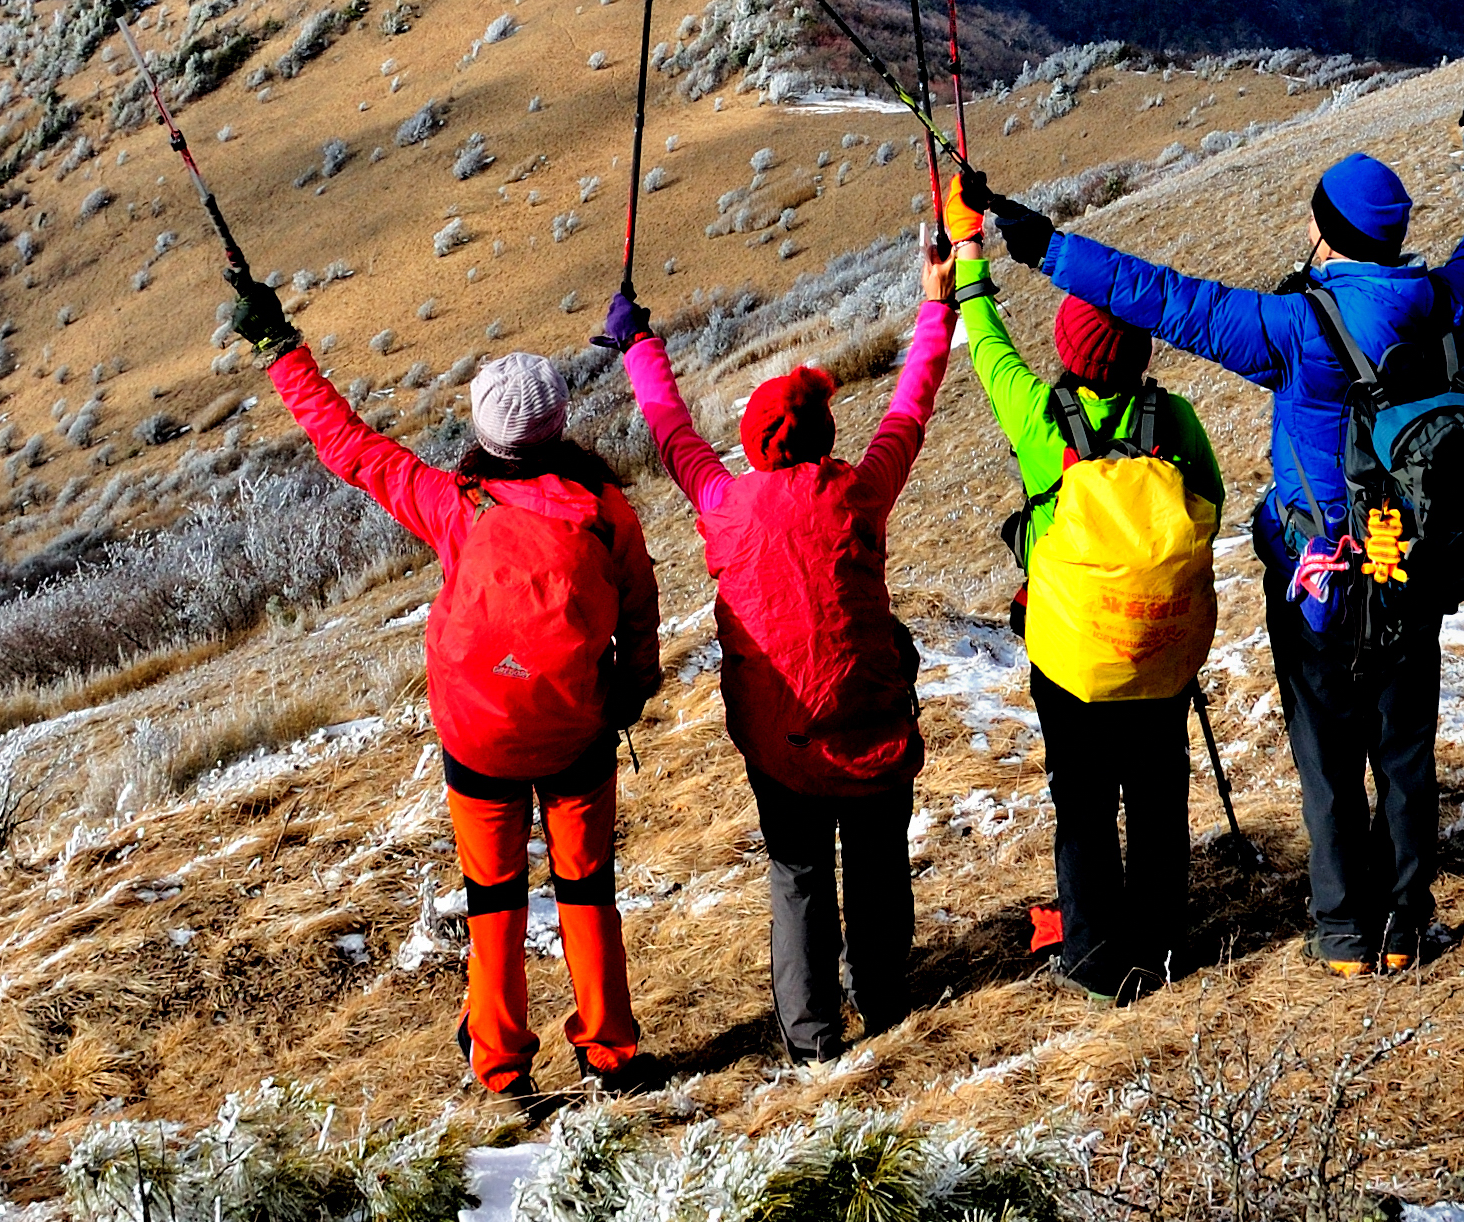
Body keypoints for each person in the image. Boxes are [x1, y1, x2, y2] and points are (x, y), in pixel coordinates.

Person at [965, 63, 1464, 975]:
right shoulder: (1448, 305)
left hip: (1314, 576)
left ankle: (1344, 930)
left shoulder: (1293, 329)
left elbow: (1167, 300)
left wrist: (1045, 247)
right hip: (1413, 570)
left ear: (1328, 233)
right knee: (1405, 746)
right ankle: (1407, 923)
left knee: (1327, 754)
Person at [242, 289, 659, 1103]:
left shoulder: (455, 505)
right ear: (558, 423)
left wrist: (280, 349)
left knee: (493, 898)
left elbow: (350, 446)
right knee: (588, 888)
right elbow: (640, 611)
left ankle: (500, 1064)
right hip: (577, 729)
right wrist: (630, 693)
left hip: (477, 734)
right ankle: (610, 1051)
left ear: (484, 433)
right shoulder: (605, 510)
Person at [594, 242, 957, 1064]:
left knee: (796, 873)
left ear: (755, 445)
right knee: (875, 858)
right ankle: (886, 1000)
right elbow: (909, 408)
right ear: (828, 436)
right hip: (869, 723)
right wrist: (939, 305)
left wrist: (639, 346)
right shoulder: (860, 490)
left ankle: (812, 1038)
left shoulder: (723, 501)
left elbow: (674, 432)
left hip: (779, 736)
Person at [956, 240, 1224, 1001]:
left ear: (1066, 349)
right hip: (1160, 647)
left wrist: (966, 263)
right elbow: (1211, 502)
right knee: (1157, 791)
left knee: (1082, 802)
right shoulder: (1174, 418)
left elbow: (986, 340)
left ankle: (1094, 959)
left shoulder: (1043, 419)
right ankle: (1165, 944)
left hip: (1071, 655)